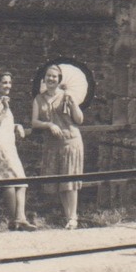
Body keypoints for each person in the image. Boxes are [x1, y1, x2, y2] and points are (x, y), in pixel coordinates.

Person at [0, 70, 36, 230]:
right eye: (4, 82)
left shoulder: (1, 101)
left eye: (9, 82)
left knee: (21, 180)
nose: (8, 85)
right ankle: (16, 220)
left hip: (7, 143)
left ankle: (19, 219)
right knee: (10, 181)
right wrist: (4, 108)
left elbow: (4, 124)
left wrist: (17, 125)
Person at [31, 63, 86, 229]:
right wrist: (49, 125)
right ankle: (68, 216)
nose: (51, 79)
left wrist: (73, 103)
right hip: (53, 144)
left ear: (59, 80)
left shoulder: (66, 96)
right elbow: (34, 122)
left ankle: (73, 217)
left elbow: (79, 120)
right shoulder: (39, 99)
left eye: (54, 77)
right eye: (48, 76)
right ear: (44, 79)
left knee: (70, 180)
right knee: (61, 181)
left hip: (70, 141)